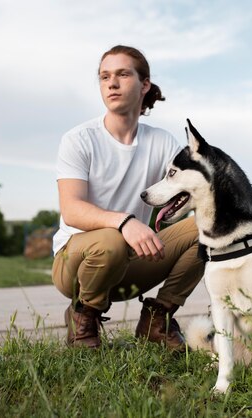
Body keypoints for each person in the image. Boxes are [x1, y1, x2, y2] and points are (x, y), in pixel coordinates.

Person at [51, 45, 204, 350]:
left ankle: (157, 319)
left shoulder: (160, 141)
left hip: (129, 263)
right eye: (104, 76)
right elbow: (72, 210)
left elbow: (197, 185)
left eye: (122, 74)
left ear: (144, 84)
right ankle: (84, 318)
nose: (112, 83)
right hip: (76, 263)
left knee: (207, 227)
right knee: (111, 239)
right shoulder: (79, 139)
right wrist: (124, 222)